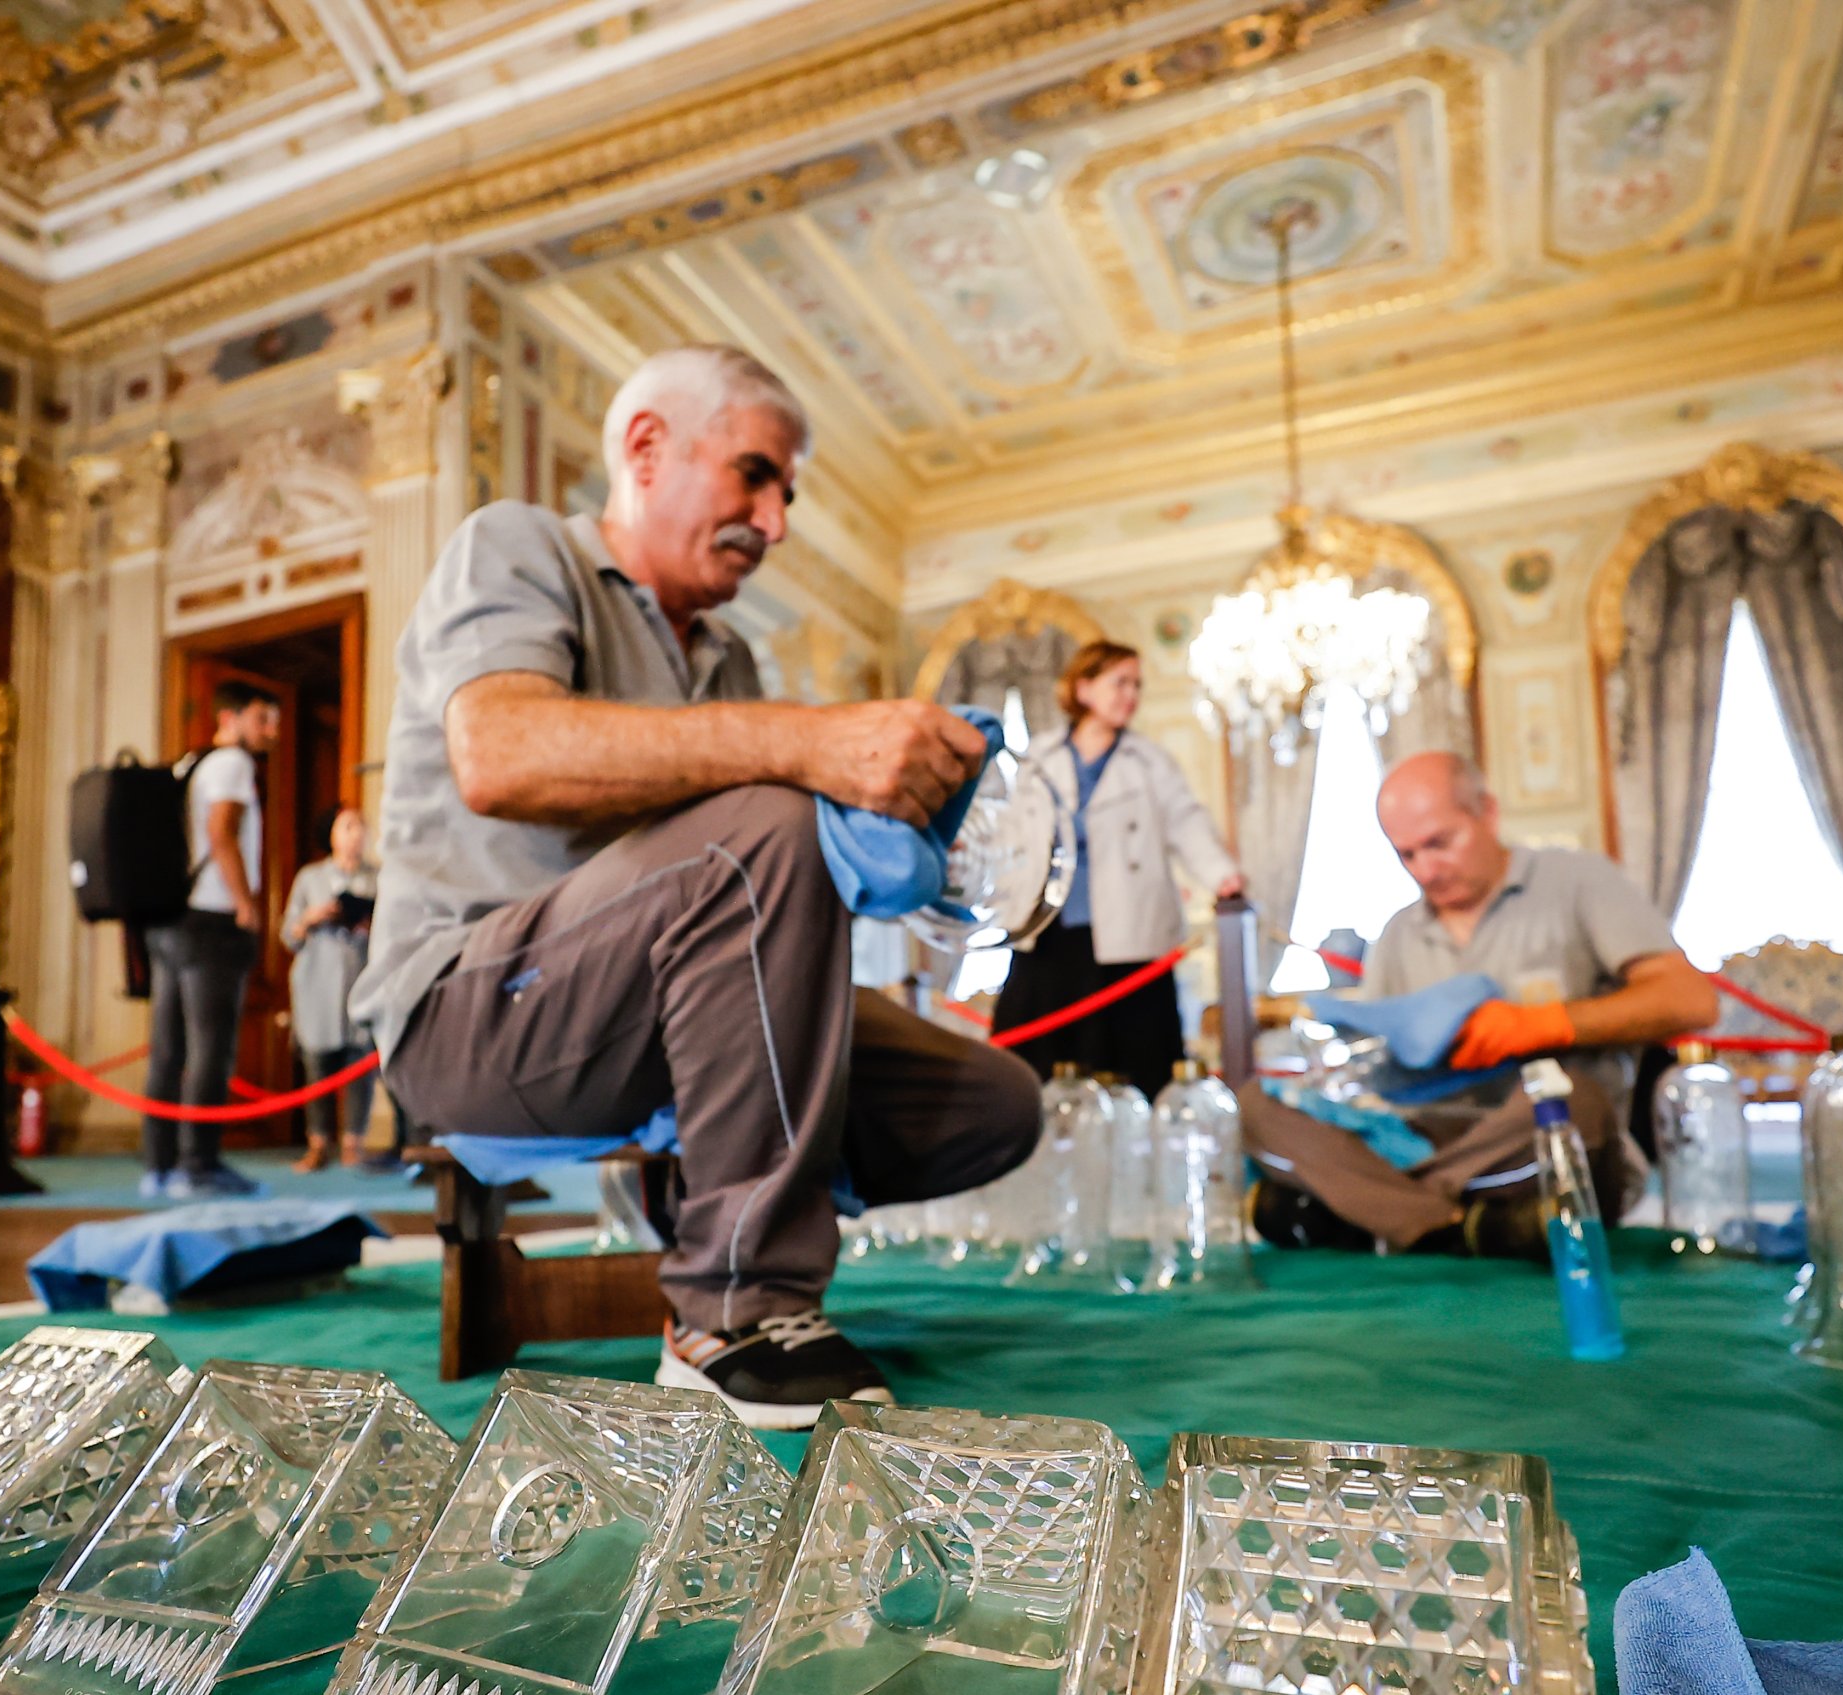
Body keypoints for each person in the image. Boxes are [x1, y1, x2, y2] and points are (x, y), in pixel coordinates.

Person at [351, 343, 1042, 1427]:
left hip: (659, 1022)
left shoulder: (726, 663)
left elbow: (746, 878)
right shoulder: (518, 545)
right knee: (762, 821)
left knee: (993, 1105)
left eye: (785, 496)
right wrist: (807, 746)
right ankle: (733, 1310)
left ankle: (715, 1193)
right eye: (755, 475)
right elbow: (501, 754)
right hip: (469, 1015)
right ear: (646, 447)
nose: (774, 522)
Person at [1243, 750, 1718, 1254]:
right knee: (1253, 1105)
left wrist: (1544, 1025)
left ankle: (1375, 1211)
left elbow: (1691, 1000)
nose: (1425, 868)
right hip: (1419, 1141)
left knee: (1573, 1100)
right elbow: (1374, 1082)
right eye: (1406, 855)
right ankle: (1464, 1227)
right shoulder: (1399, 932)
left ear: (1487, 812)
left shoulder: (1580, 882)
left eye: (1439, 843)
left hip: (1537, 1142)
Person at [994, 641, 1244, 1096]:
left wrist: (1220, 875)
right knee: (1034, 1060)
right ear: (1084, 688)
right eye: (1119, 683)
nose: (1130, 695)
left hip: (1128, 936)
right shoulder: (1039, 759)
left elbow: (1186, 820)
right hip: (1047, 933)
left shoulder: (1150, 761)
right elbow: (1012, 834)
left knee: (1133, 1061)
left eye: (1137, 685)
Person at [142, 684, 280, 1201]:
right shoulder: (233, 765)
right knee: (211, 1048)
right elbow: (222, 831)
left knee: (168, 1049)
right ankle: (198, 1164)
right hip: (212, 921)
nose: (272, 731)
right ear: (232, 717)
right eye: (263, 719)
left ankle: (158, 1164)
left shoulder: (194, 765)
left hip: (173, 919)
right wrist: (246, 902)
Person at [282, 806, 380, 1172]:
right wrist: (311, 917)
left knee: (360, 1065)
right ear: (333, 835)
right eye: (349, 826)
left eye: (361, 827)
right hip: (317, 985)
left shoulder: (379, 878)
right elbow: (287, 933)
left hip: (361, 982)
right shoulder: (310, 878)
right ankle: (318, 1144)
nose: (357, 834)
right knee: (318, 1065)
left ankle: (355, 1143)